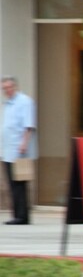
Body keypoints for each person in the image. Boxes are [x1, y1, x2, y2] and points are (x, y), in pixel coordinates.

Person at [1, 76, 37, 225]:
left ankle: (22, 216)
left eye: (9, 88)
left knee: (19, 183)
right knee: (11, 183)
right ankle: (16, 214)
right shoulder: (8, 104)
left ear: (15, 87)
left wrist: (24, 143)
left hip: (19, 149)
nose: (7, 91)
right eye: (4, 89)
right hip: (7, 149)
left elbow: (28, 125)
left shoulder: (24, 101)